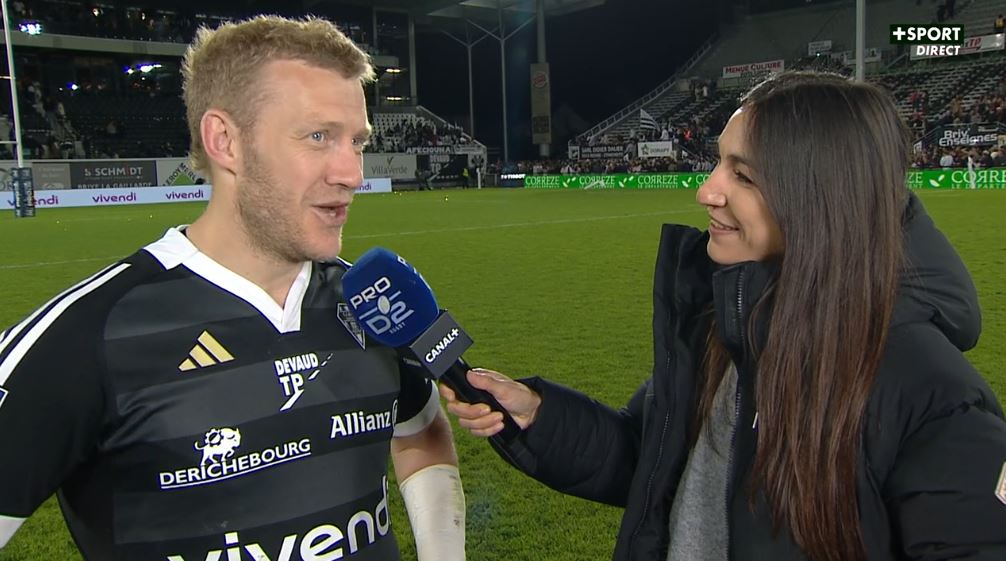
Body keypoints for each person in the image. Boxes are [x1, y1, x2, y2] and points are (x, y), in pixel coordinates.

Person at [441, 71, 1006, 561]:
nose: (706, 191)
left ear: (819, 197)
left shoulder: (932, 394)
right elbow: (654, 457)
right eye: (718, 163)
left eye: (745, 175)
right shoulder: (732, 324)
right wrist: (540, 415)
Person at [0, 16, 466, 561]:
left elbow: (420, 430)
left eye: (357, 142)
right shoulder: (87, 336)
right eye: (318, 137)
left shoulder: (370, 303)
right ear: (225, 141)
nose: (351, 173)